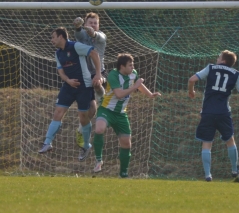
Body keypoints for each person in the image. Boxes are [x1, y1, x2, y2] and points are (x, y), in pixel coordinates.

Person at [188, 50, 239, 181]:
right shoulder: (236, 74)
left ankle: (208, 175)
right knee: (230, 140)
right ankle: (234, 169)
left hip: (207, 112)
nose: (217, 59)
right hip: (223, 113)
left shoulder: (210, 68)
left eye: (219, 57)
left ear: (223, 60)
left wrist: (191, 91)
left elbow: (192, 79)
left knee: (207, 142)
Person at [92, 53, 161, 178]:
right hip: (106, 109)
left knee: (126, 143)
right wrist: (134, 86)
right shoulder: (113, 75)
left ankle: (123, 174)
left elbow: (139, 85)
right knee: (99, 128)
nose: (132, 67)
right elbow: (119, 94)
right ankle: (98, 160)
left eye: (132, 64)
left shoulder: (133, 73)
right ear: (122, 67)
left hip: (121, 114)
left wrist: (150, 94)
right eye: (130, 65)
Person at [38, 27, 101, 162]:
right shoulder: (58, 53)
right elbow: (60, 70)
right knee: (57, 113)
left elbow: (94, 54)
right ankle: (47, 143)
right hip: (68, 86)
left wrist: (98, 74)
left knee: (83, 117)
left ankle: (85, 145)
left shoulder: (76, 46)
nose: (51, 40)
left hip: (84, 86)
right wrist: (68, 80)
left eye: (53, 37)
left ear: (61, 37)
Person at [73, 13, 107, 148]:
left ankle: (103, 100)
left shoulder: (102, 37)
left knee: (98, 83)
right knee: (91, 110)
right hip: (84, 75)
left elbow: (96, 35)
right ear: (85, 24)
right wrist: (77, 25)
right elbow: (79, 32)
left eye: (95, 23)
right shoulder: (81, 36)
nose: (93, 25)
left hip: (99, 72)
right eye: (90, 23)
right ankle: (80, 132)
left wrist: (92, 32)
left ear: (98, 25)